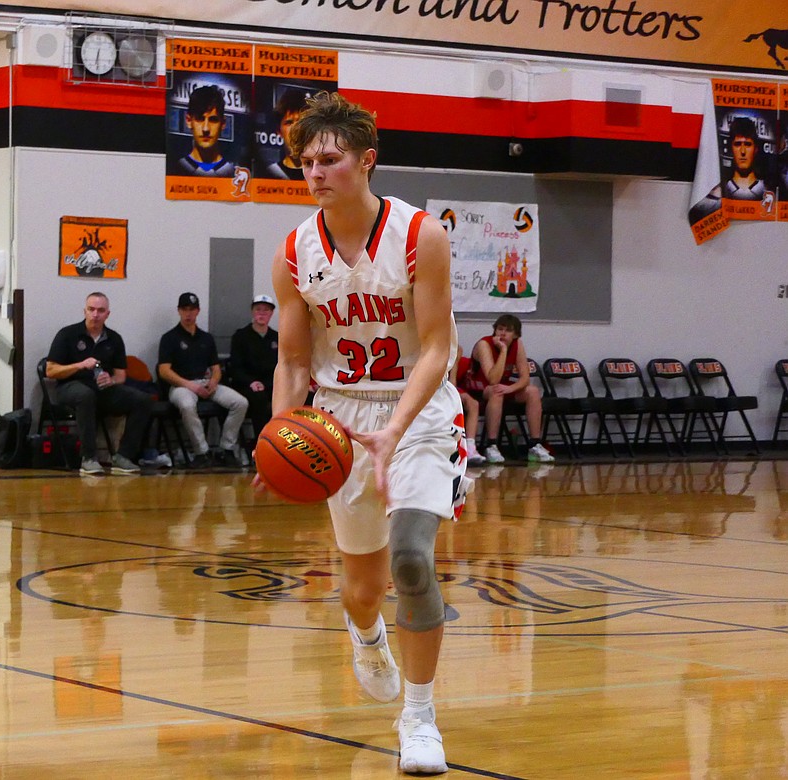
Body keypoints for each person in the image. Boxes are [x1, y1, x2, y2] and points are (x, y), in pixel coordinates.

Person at [263, 91, 469, 775]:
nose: (316, 172)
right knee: (362, 587)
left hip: (419, 409)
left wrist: (397, 428)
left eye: (329, 159)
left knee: (412, 559)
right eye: (306, 163)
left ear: (367, 160)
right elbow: (293, 360)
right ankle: (365, 632)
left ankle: (418, 718)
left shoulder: (420, 235)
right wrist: (279, 434)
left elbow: (437, 348)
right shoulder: (294, 250)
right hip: (341, 418)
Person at [46, 291, 153, 476]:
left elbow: (121, 376)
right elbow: (50, 370)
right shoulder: (67, 334)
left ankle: (123, 456)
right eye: (91, 309)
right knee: (85, 395)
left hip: (102, 389)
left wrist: (110, 380)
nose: (95, 314)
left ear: (107, 314)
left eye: (100, 310)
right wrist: (80, 365)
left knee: (142, 399)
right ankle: (88, 458)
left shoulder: (115, 339)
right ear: (84, 311)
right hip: (69, 387)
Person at [157, 292, 248, 469]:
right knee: (186, 405)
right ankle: (202, 452)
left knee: (240, 402)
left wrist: (214, 381)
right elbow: (164, 371)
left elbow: (215, 368)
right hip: (181, 386)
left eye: (192, 309)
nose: (188, 314)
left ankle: (226, 448)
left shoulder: (206, 338)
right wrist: (189, 385)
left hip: (205, 383)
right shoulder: (169, 338)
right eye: (185, 309)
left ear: (198, 311)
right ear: (179, 311)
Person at [468, 314, 554, 464]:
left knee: (532, 391)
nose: (502, 333)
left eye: (507, 331)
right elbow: (492, 379)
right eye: (500, 329)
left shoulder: (518, 344)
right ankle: (491, 445)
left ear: (515, 335)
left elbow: (525, 378)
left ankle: (534, 444)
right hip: (477, 389)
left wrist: (511, 389)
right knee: (496, 391)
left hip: (502, 387)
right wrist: (503, 351)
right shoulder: (484, 344)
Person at [228, 294, 278, 437]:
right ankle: (262, 443)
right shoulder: (241, 336)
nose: (261, 313)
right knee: (259, 398)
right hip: (248, 385)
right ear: (252, 311)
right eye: (258, 309)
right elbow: (235, 368)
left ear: (271, 313)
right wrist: (251, 382)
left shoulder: (277, 337)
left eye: (266, 310)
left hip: (272, 384)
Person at [174, 85, 235, 178]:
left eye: (213, 120)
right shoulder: (176, 169)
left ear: (223, 123)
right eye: (200, 119)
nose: (205, 129)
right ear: (189, 121)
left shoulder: (233, 174)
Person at [263, 88, 308, 180]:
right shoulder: (269, 174)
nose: (296, 129)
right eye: (289, 123)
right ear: (279, 131)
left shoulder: (321, 174)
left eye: (300, 122)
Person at [451, 346, 484, 465]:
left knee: (473, 403)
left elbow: (452, 382)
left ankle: (470, 447)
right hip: (430, 386)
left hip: (448, 386)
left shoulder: (456, 349)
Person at [721, 117, 766, 201]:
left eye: (748, 144)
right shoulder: (720, 192)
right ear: (730, 148)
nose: (742, 151)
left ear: (756, 149)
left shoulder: (769, 192)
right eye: (737, 144)